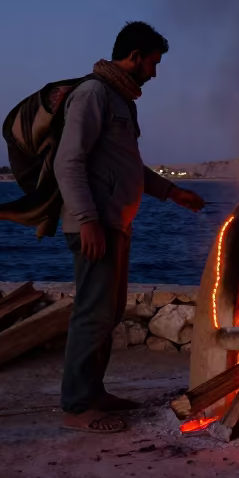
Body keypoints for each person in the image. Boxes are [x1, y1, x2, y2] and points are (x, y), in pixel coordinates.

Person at [54, 21, 205, 433]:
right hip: (95, 226)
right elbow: (68, 162)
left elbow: (127, 167)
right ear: (135, 56)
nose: (154, 73)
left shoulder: (122, 101)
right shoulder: (93, 95)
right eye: (153, 63)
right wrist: (87, 221)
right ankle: (78, 405)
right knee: (92, 313)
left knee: (109, 312)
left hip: (115, 225)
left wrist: (173, 192)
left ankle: (94, 391)